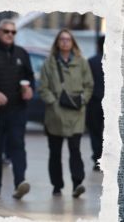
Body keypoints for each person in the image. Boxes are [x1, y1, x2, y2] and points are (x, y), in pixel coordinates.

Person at [0, 19, 35, 199]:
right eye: (6, 31)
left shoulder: (22, 53)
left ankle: (20, 183)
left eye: (13, 32)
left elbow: (29, 77)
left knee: (17, 144)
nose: (10, 34)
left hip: (17, 109)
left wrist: (29, 89)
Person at [38, 29, 94, 198]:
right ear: (57, 42)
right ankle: (57, 185)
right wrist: (53, 102)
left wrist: (83, 100)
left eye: (68, 39)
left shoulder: (81, 62)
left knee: (75, 150)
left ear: (72, 43)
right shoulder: (49, 63)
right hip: (55, 114)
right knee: (55, 152)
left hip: (76, 113)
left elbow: (89, 85)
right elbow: (43, 88)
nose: (64, 42)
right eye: (61, 39)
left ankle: (77, 183)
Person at [86, 36, 105, 172]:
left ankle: (98, 159)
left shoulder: (92, 61)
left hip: (94, 101)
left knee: (95, 132)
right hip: (112, 103)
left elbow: (87, 83)